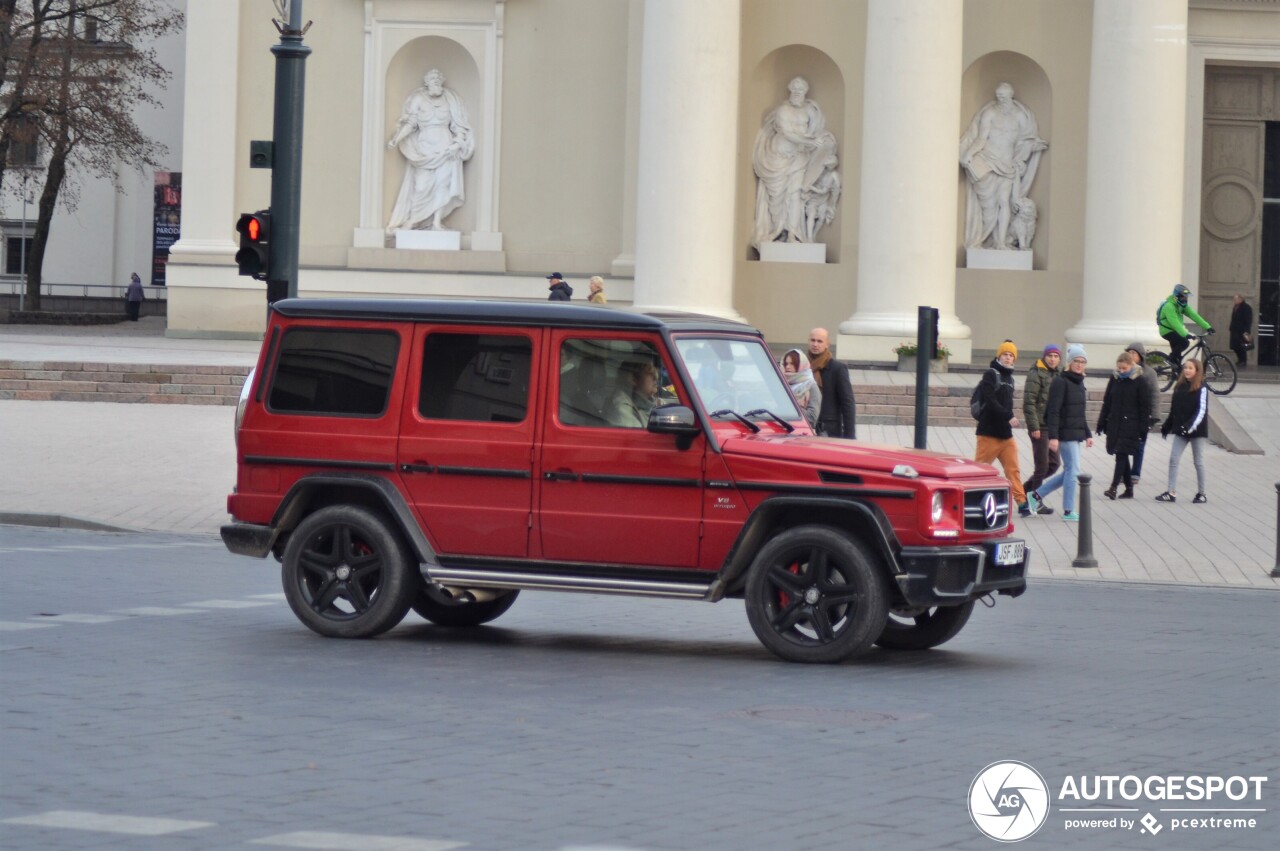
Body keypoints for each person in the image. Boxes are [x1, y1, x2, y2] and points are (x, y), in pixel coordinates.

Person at [751, 76, 840, 249]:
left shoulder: (810, 110)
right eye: (795, 89)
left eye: (801, 89)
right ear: (790, 90)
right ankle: (777, 231)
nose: (798, 92)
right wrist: (809, 142)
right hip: (778, 159)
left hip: (799, 158)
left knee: (795, 195)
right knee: (777, 197)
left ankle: (793, 234)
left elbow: (816, 132)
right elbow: (787, 134)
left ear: (805, 91)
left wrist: (822, 146)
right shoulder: (783, 111)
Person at [960, 82, 1048, 251]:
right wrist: (969, 153)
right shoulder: (990, 113)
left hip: (1007, 164)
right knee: (989, 206)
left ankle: (1000, 242)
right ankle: (984, 239)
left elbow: (1026, 140)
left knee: (1004, 201)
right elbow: (981, 138)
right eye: (999, 97)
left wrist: (1029, 150)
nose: (1001, 100)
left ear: (1011, 96)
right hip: (987, 160)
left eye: (1004, 97)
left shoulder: (1020, 116)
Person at [386, 69, 475, 233]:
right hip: (424, 149)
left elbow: (459, 125)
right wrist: (396, 139)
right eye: (432, 80)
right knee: (421, 186)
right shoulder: (418, 99)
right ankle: (412, 221)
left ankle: (436, 223)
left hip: (447, 149)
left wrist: (456, 145)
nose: (436, 82)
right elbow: (411, 124)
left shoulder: (450, 99)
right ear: (426, 83)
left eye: (438, 80)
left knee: (443, 185)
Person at [1031, 344, 1094, 523]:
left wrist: (1088, 434)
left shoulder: (1080, 383)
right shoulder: (1061, 381)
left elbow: (1079, 413)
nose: (1080, 365)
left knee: (1069, 471)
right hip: (1064, 434)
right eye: (1076, 361)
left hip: (1076, 433)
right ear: (1069, 362)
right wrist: (1054, 437)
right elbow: (1053, 411)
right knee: (1073, 471)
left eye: (1083, 362)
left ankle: (1035, 496)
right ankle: (1068, 510)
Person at [974, 340, 1032, 518]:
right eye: (1005, 354)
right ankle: (972, 500)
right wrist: (1008, 416)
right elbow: (991, 401)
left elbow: (1007, 403)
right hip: (988, 433)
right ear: (999, 356)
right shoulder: (990, 374)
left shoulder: (1010, 378)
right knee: (979, 471)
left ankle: (1022, 504)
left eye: (1011, 355)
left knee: (1013, 470)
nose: (1008, 358)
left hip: (1006, 436)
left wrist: (1009, 416)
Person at [1096, 351, 1152, 500]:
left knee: (1121, 454)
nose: (1121, 371)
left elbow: (1144, 407)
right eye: (1119, 368)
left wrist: (1143, 429)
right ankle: (1129, 489)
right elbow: (1107, 401)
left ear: (1131, 366)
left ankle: (1113, 487)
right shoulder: (1114, 379)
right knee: (1122, 454)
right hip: (1115, 422)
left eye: (1124, 369)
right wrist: (1101, 422)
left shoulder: (1140, 381)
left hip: (1131, 424)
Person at [1156, 359, 1210, 504]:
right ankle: (1171, 492)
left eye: (1190, 368)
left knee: (1198, 461)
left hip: (1196, 430)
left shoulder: (1202, 388)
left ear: (1197, 371)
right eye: (1185, 368)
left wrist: (1189, 427)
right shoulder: (1179, 386)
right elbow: (1174, 409)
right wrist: (1168, 425)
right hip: (1181, 429)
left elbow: (1201, 411)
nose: (1187, 370)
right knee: (1174, 459)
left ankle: (1202, 493)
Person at [1021, 343, 1061, 513]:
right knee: (1042, 466)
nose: (1053, 359)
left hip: (1052, 427)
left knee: (1054, 464)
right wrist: (1034, 426)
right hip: (1039, 427)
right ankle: (1035, 501)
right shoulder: (1036, 374)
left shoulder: (1059, 374)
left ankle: (1025, 490)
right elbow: (1029, 402)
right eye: (1050, 356)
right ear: (1044, 357)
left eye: (1056, 356)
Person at [807, 327, 855, 438]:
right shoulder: (801, 365)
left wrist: (849, 436)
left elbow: (847, 403)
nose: (815, 344)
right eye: (812, 340)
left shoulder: (837, 368)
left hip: (829, 430)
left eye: (819, 341)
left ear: (827, 344)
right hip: (806, 427)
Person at [1124, 341, 1160, 487]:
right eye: (1129, 352)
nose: (1131, 356)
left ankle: (1135, 473)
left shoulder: (1149, 373)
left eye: (1134, 353)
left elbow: (1155, 394)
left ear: (1141, 356)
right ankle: (1123, 473)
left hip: (1142, 415)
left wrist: (1154, 415)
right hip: (1127, 414)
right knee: (1123, 446)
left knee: (1139, 445)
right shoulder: (1124, 370)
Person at [1157, 284, 1213, 367]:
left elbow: (1193, 315)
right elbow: (1174, 322)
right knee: (1184, 342)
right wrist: (1185, 334)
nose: (1185, 299)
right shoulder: (1169, 306)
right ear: (1177, 296)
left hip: (1176, 331)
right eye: (1183, 297)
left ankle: (1175, 373)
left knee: (1177, 359)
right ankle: (1170, 359)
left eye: (1186, 297)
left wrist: (1208, 327)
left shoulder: (1181, 305)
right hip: (1167, 331)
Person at [605, 361, 659, 429]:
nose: (655, 377)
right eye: (650, 373)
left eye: (655, 373)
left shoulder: (651, 402)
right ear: (633, 379)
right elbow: (639, 438)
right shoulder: (622, 408)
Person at [780, 348, 822, 430]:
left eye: (792, 364)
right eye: (786, 364)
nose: (788, 367)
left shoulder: (811, 386)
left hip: (803, 433)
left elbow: (812, 418)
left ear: (801, 365)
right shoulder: (781, 384)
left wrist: (790, 407)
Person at [1229, 294, 1254, 367]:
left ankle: (1243, 360)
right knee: (1235, 346)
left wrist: (1246, 331)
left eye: (1236, 299)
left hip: (1242, 331)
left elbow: (1248, 320)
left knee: (1242, 346)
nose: (1234, 301)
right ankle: (1240, 359)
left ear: (1241, 299)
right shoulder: (1235, 307)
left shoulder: (1246, 308)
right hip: (1234, 330)